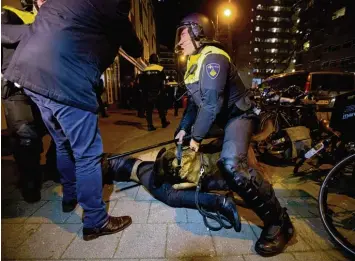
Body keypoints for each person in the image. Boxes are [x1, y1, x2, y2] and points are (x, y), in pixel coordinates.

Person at [3, 0, 143, 241]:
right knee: (87, 153)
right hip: (65, 78)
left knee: (61, 141)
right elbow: (133, 45)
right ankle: (96, 221)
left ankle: (70, 197)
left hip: (29, 75)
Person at [173, 13, 294, 257]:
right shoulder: (194, 61)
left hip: (239, 116)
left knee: (231, 164)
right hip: (223, 118)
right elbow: (194, 105)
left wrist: (196, 138)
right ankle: (245, 184)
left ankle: (280, 223)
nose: (180, 40)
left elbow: (210, 105)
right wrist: (184, 129)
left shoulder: (214, 58)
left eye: (184, 33)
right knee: (225, 163)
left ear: (198, 32)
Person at [101, 141, 241, 232]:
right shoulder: (88, 162)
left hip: (139, 169)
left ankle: (221, 201)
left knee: (171, 194)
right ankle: (228, 187)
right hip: (140, 170)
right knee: (179, 183)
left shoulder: (91, 164)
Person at [1, 0, 59, 203]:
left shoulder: (54, 17)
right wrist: (38, 32)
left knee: (59, 132)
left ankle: (53, 169)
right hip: (17, 90)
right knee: (26, 137)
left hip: (46, 87)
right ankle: (30, 184)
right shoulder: (9, 13)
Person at [140, 53, 170, 131]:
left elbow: (142, 82)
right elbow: (163, 80)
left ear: (150, 60)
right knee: (161, 108)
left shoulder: (145, 69)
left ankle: (150, 126)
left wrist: (143, 92)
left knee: (149, 110)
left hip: (148, 93)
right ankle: (163, 123)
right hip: (158, 92)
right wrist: (163, 90)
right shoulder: (160, 68)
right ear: (157, 60)